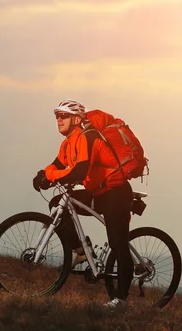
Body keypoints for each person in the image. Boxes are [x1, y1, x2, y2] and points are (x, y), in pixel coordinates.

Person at [32, 99, 134, 309]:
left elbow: (79, 172)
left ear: (77, 119)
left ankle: (121, 299)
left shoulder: (89, 137)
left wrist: (51, 177)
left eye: (64, 116)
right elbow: (57, 164)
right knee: (58, 204)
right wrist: (42, 174)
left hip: (116, 193)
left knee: (118, 244)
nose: (59, 120)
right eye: (57, 116)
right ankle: (80, 251)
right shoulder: (68, 143)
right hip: (98, 192)